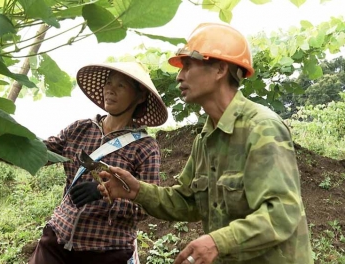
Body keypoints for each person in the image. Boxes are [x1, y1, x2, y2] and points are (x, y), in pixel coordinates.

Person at [98, 23, 313, 264]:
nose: (179, 75)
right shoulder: (205, 139)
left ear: (220, 69)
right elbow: (188, 202)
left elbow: (282, 213)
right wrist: (137, 190)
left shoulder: (262, 128)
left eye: (188, 65)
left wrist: (216, 242)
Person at [28, 62, 168, 264]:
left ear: (140, 96)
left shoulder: (145, 147)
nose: (110, 90)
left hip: (105, 251)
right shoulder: (81, 128)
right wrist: (12, 144)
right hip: (56, 241)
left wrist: (106, 192)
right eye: (108, 83)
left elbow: (146, 205)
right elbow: (42, 153)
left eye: (121, 86)